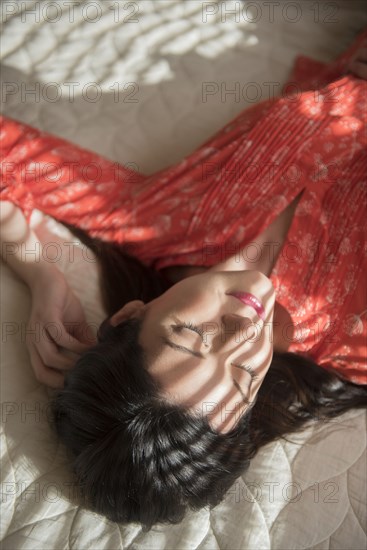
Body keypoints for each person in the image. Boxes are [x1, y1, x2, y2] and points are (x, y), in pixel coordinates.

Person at [1, 28, 367, 531]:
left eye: (193, 335)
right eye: (243, 379)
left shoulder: (155, 220)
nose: (243, 333)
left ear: (132, 313)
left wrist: (40, 274)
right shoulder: (353, 336)